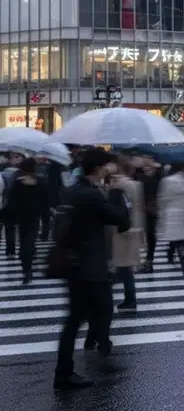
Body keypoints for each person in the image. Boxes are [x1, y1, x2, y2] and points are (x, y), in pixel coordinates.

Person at [53, 148, 130, 390]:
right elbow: (121, 221)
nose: (112, 169)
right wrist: (117, 192)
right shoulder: (90, 195)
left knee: (79, 318)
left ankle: (71, 368)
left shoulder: (74, 189)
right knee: (99, 311)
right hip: (89, 267)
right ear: (99, 168)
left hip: (76, 264)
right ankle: (87, 363)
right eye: (108, 165)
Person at [112, 156, 144, 310]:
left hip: (122, 229)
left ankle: (130, 299)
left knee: (124, 267)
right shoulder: (136, 185)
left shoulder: (119, 185)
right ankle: (129, 298)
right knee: (126, 266)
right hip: (134, 227)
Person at [7, 157, 45, 285]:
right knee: (30, 240)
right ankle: (28, 261)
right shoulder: (40, 182)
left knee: (24, 240)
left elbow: (11, 201)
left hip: (21, 217)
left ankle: (26, 266)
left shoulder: (17, 183)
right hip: (34, 217)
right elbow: (45, 200)